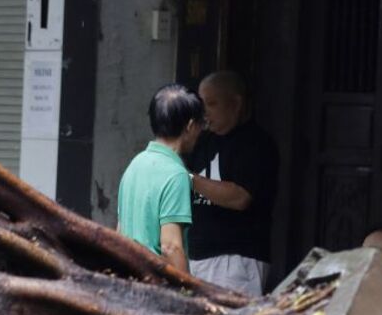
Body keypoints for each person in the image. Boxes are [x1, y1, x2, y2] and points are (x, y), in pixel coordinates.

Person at [186, 70, 279, 296]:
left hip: (236, 260)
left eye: (212, 103)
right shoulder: (203, 141)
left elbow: (240, 197)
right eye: (201, 103)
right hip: (198, 256)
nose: (204, 112)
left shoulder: (256, 143)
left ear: (236, 104)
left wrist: (188, 179)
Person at [117, 84, 204, 273]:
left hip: (128, 278)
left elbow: (120, 232)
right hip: (156, 285)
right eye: (200, 124)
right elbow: (170, 246)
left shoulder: (135, 165)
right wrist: (186, 292)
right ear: (190, 126)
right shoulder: (176, 174)